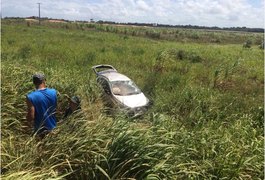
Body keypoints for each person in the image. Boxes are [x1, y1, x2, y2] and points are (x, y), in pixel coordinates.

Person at [26, 73, 57, 137]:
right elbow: (56, 108)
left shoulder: (30, 97)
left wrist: (27, 122)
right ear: (43, 81)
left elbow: (31, 116)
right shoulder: (53, 92)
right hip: (53, 128)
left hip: (40, 131)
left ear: (34, 82)